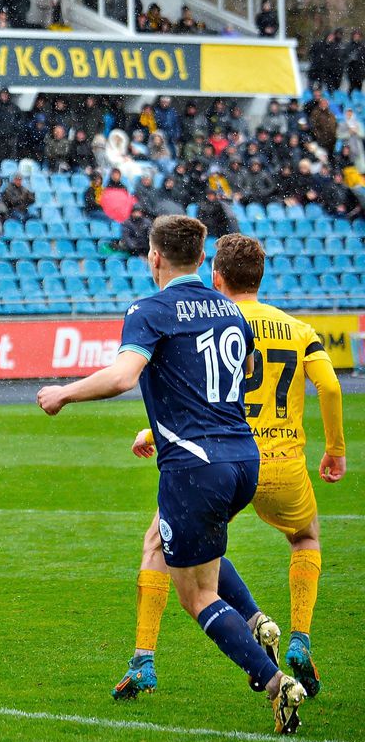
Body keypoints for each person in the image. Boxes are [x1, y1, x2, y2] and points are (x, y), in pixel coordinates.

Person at [36, 216, 308, 734]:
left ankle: (275, 682)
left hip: (194, 467)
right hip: (243, 459)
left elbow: (122, 376)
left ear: (154, 258)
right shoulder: (229, 310)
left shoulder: (150, 309)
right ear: (203, 259)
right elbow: (222, 385)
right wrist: (161, 432)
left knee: (196, 594)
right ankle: (255, 620)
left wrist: (63, 393)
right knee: (169, 543)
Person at [115, 234, 346, 706]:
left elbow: (202, 398)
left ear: (216, 274)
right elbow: (330, 386)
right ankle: (297, 635)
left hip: (220, 456)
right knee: (304, 539)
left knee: (165, 542)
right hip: (278, 463)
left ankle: (145, 659)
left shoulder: (221, 321)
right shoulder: (297, 328)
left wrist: (154, 433)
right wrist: (336, 449)